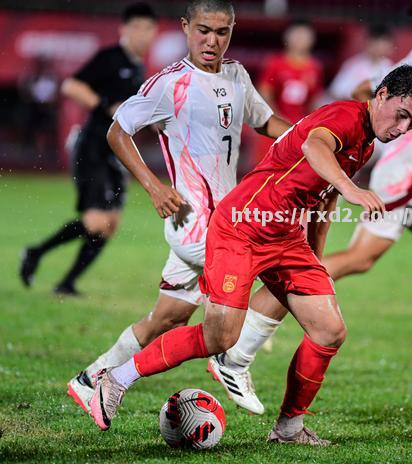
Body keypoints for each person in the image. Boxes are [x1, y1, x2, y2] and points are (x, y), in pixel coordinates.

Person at [88, 63, 412, 446]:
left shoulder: (367, 141)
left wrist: (316, 255)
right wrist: (355, 191)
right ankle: (115, 379)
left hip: (286, 237)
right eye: (402, 115)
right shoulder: (344, 116)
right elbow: (314, 147)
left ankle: (288, 428)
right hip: (241, 228)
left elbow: (327, 194)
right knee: (220, 336)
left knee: (329, 330)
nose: (403, 129)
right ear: (383, 94)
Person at [209, 0, 412, 388]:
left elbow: (380, 98)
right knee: (352, 261)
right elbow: (373, 99)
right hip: (397, 184)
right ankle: (253, 329)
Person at [66, 0, 290, 417]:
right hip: (197, 226)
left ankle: (91, 378)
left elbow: (264, 122)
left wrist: (306, 136)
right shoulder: (169, 84)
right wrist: (153, 186)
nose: (212, 40)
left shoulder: (236, 74)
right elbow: (119, 132)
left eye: (222, 32)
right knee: (288, 273)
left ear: (232, 31)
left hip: (225, 219)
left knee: (167, 317)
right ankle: (232, 361)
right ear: (186, 27)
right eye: (203, 30)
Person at [19, 3, 158, 296]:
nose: (144, 34)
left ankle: (66, 283)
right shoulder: (110, 58)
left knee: (111, 223)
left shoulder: (138, 67)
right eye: (138, 27)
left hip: (116, 152)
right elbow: (71, 86)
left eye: (149, 29)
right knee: (96, 221)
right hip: (92, 146)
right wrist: (106, 106)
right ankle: (35, 252)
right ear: (125, 29)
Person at [253, 19, 324, 162]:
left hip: (298, 127)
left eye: (304, 36)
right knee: (265, 166)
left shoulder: (315, 67)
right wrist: (277, 118)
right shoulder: (275, 63)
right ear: (287, 37)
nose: (300, 40)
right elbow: (264, 93)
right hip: (273, 123)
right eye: (296, 35)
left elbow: (314, 100)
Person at [327, 24, 393, 102]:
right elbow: (336, 91)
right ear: (368, 43)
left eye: (383, 43)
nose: (379, 47)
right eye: (376, 43)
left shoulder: (390, 68)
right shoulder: (353, 65)